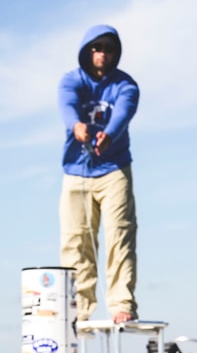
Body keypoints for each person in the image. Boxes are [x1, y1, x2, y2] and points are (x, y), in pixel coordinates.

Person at [58, 24, 140, 324]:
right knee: (75, 241)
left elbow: (123, 112)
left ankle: (121, 304)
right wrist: (76, 125)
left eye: (108, 48)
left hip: (114, 170)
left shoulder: (126, 85)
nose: (102, 54)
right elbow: (68, 105)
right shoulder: (71, 80)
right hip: (76, 172)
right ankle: (78, 308)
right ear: (87, 51)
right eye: (97, 48)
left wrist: (110, 134)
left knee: (119, 235)